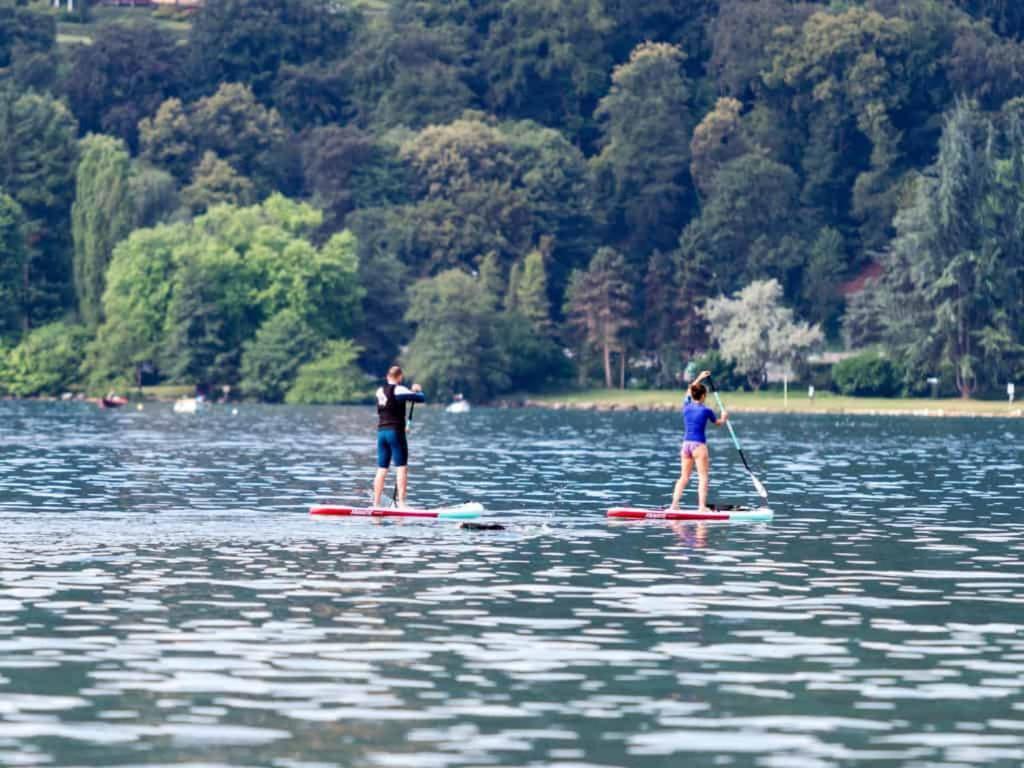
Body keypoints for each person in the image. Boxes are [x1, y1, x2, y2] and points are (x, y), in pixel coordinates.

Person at [670, 369, 728, 513]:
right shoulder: (706, 410)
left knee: (683, 477)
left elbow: (689, 391)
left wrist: (699, 378)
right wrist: (724, 418)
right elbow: (718, 423)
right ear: (703, 395)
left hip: (686, 446)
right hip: (698, 446)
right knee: (703, 477)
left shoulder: (686, 407)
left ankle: (674, 505)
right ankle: (701, 507)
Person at [373, 366, 425, 507]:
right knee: (401, 467)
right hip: (395, 433)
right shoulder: (399, 389)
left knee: (382, 468)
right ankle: (402, 503)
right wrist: (417, 390)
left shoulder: (379, 391)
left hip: (381, 433)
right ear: (400, 377)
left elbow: (391, 405)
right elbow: (421, 398)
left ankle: (376, 503)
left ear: (387, 376)